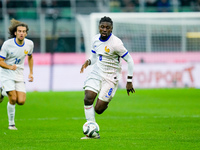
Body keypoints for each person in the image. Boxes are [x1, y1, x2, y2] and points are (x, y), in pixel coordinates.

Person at [80, 16, 135, 139]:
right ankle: (92, 131)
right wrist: (88, 62)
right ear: (99, 27)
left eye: (107, 27)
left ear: (111, 29)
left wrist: (129, 81)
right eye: (102, 27)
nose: (104, 29)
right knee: (88, 98)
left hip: (111, 77)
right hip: (97, 72)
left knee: (99, 109)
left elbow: (130, 60)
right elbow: (94, 57)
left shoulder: (116, 44)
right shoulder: (95, 39)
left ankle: (105, 101)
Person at [0, 19, 34, 130]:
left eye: (24, 31)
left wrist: (31, 72)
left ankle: (2, 91)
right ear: (15, 33)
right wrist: (9, 67)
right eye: (19, 31)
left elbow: (30, 57)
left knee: (21, 101)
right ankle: (11, 124)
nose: (21, 33)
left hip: (19, 73)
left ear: (26, 33)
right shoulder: (7, 44)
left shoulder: (29, 44)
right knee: (13, 98)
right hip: (6, 72)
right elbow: (0, 61)